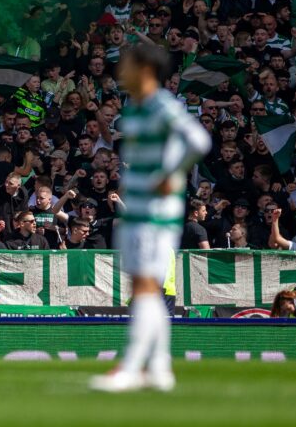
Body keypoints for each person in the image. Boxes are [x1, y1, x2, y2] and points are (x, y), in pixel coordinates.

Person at [91, 44, 210, 393]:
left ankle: (131, 366)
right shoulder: (138, 106)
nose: (120, 71)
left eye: (126, 65)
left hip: (154, 212)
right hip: (139, 208)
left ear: (143, 69)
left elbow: (199, 140)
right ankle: (159, 368)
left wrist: (170, 173)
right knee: (146, 289)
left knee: (142, 286)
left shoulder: (161, 104)